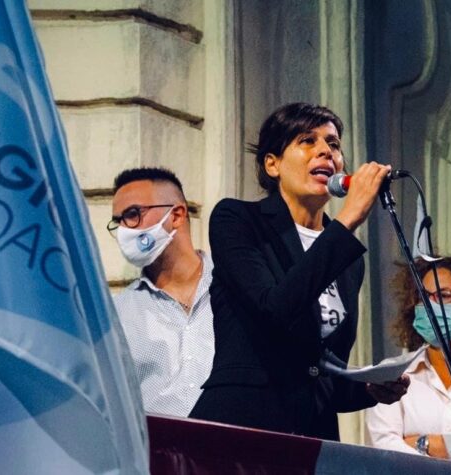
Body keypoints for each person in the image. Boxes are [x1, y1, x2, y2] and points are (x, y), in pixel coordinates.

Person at [189, 102, 409, 440]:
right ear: (273, 164)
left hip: (309, 436)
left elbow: (318, 375)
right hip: (240, 429)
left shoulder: (348, 258)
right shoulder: (237, 220)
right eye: (307, 140)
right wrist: (349, 218)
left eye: (333, 144)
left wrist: (369, 388)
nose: (325, 151)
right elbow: (273, 309)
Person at [108, 167, 214, 417]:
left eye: (133, 214)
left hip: (235, 440)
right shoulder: (117, 314)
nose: (124, 230)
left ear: (176, 215)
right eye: (118, 221)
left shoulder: (234, 288)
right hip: (156, 442)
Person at [366, 256, 451, 460]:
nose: (429, 305)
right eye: (423, 296)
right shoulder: (392, 375)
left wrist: (421, 443)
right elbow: (383, 449)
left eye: (443, 295)